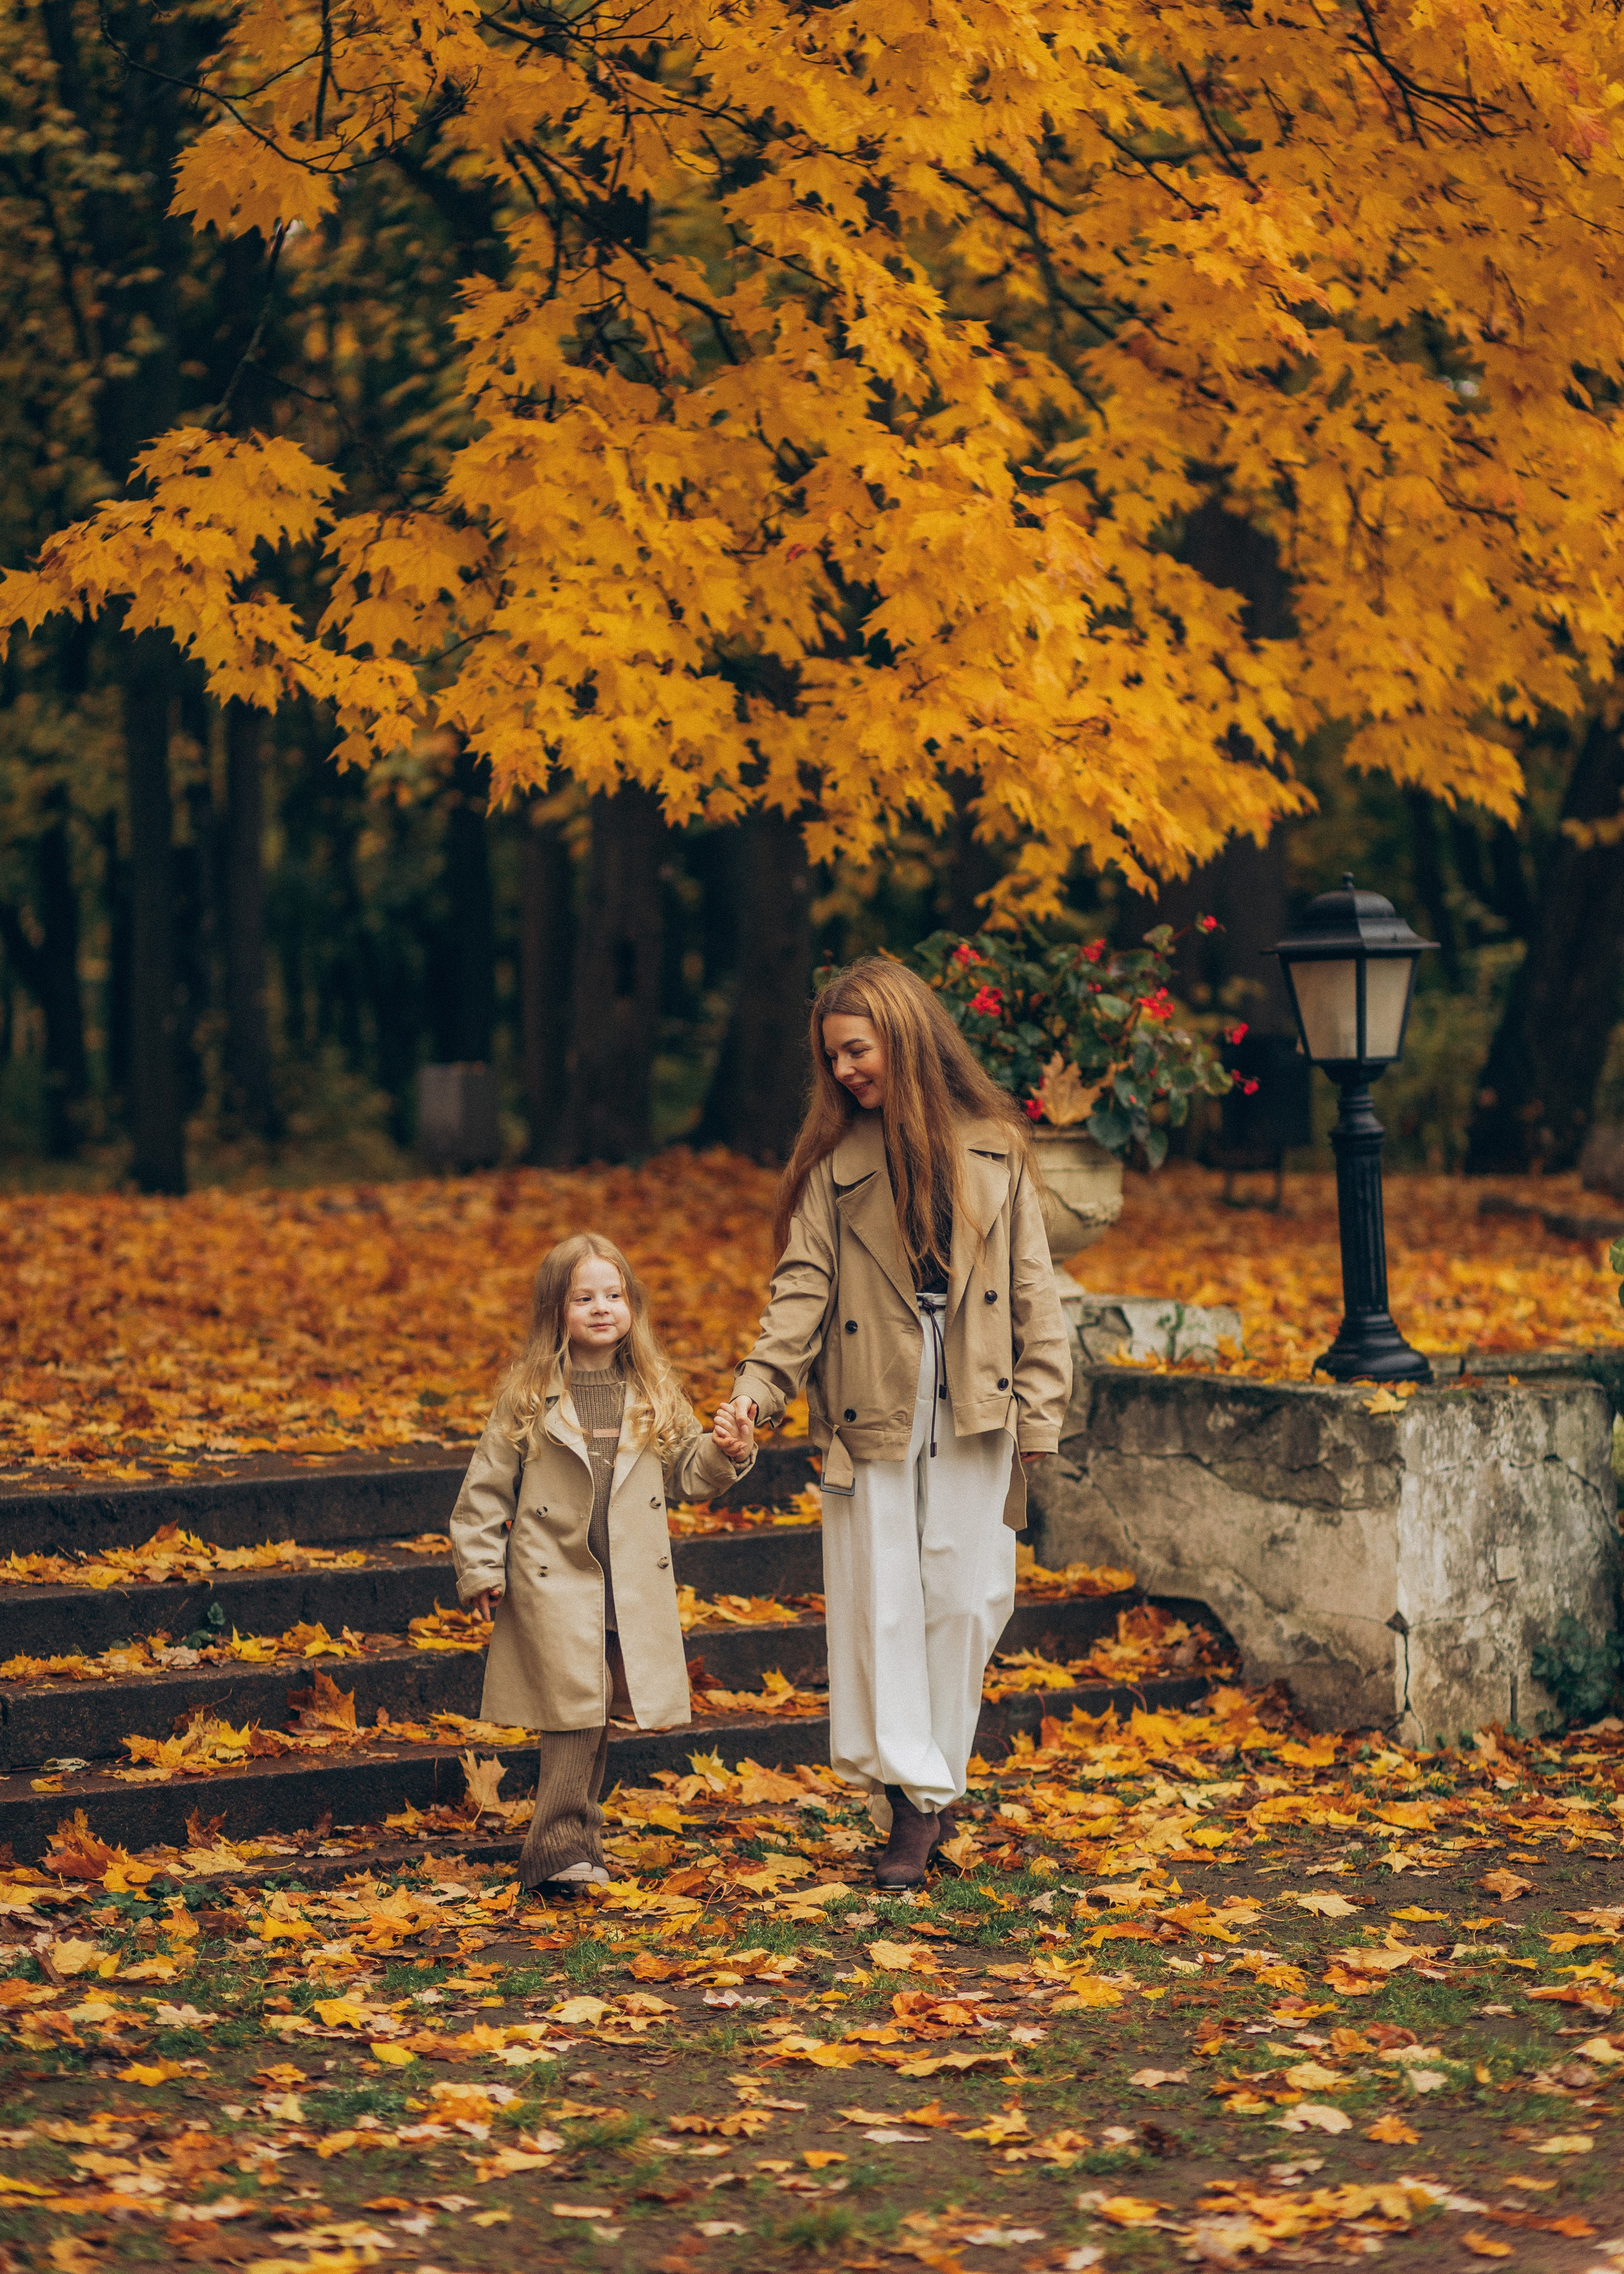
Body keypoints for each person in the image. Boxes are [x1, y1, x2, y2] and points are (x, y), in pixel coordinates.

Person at [723, 958, 1071, 1888]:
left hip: (976, 1402)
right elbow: (798, 1296)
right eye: (831, 1057)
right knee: (884, 1605)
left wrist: (1042, 1413)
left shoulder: (998, 1148)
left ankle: (921, 1791)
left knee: (966, 1600)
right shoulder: (832, 1172)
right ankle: (916, 1814)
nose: (841, 1072)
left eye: (855, 1051)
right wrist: (755, 1393)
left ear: (905, 1037)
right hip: (869, 1400)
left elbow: (1035, 1292)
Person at [450, 1232, 755, 1894]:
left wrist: (727, 1451)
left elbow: (687, 1474)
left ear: (632, 1307)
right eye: (583, 1296)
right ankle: (553, 1850)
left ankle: (580, 1837)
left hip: (625, 1580)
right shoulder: (530, 1395)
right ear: (554, 1310)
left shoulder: (650, 1392)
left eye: (613, 1295)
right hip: (552, 1575)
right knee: (574, 1710)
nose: (600, 1308)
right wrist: (480, 1564)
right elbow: (484, 1487)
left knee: (595, 1706)